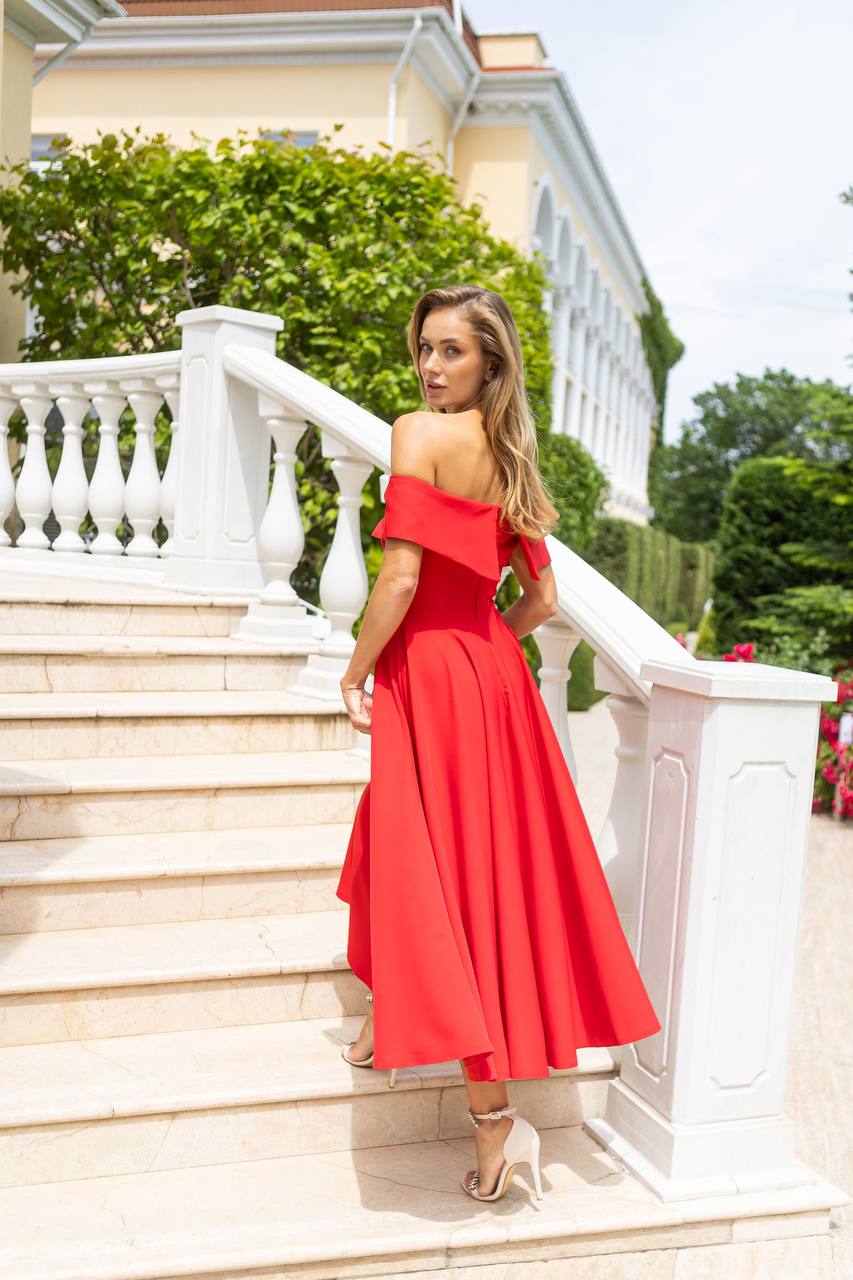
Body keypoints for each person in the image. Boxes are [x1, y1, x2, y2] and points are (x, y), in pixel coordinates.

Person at [335, 284, 661, 1203]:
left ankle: (492, 1123)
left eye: (450, 352)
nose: (430, 368)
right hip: (488, 675)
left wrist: (356, 670)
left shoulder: (415, 433)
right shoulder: (510, 456)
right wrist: (482, 645)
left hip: (427, 674)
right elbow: (542, 604)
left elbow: (398, 579)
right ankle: (395, 1008)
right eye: (426, 350)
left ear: (490, 363)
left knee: (436, 872)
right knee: (414, 846)